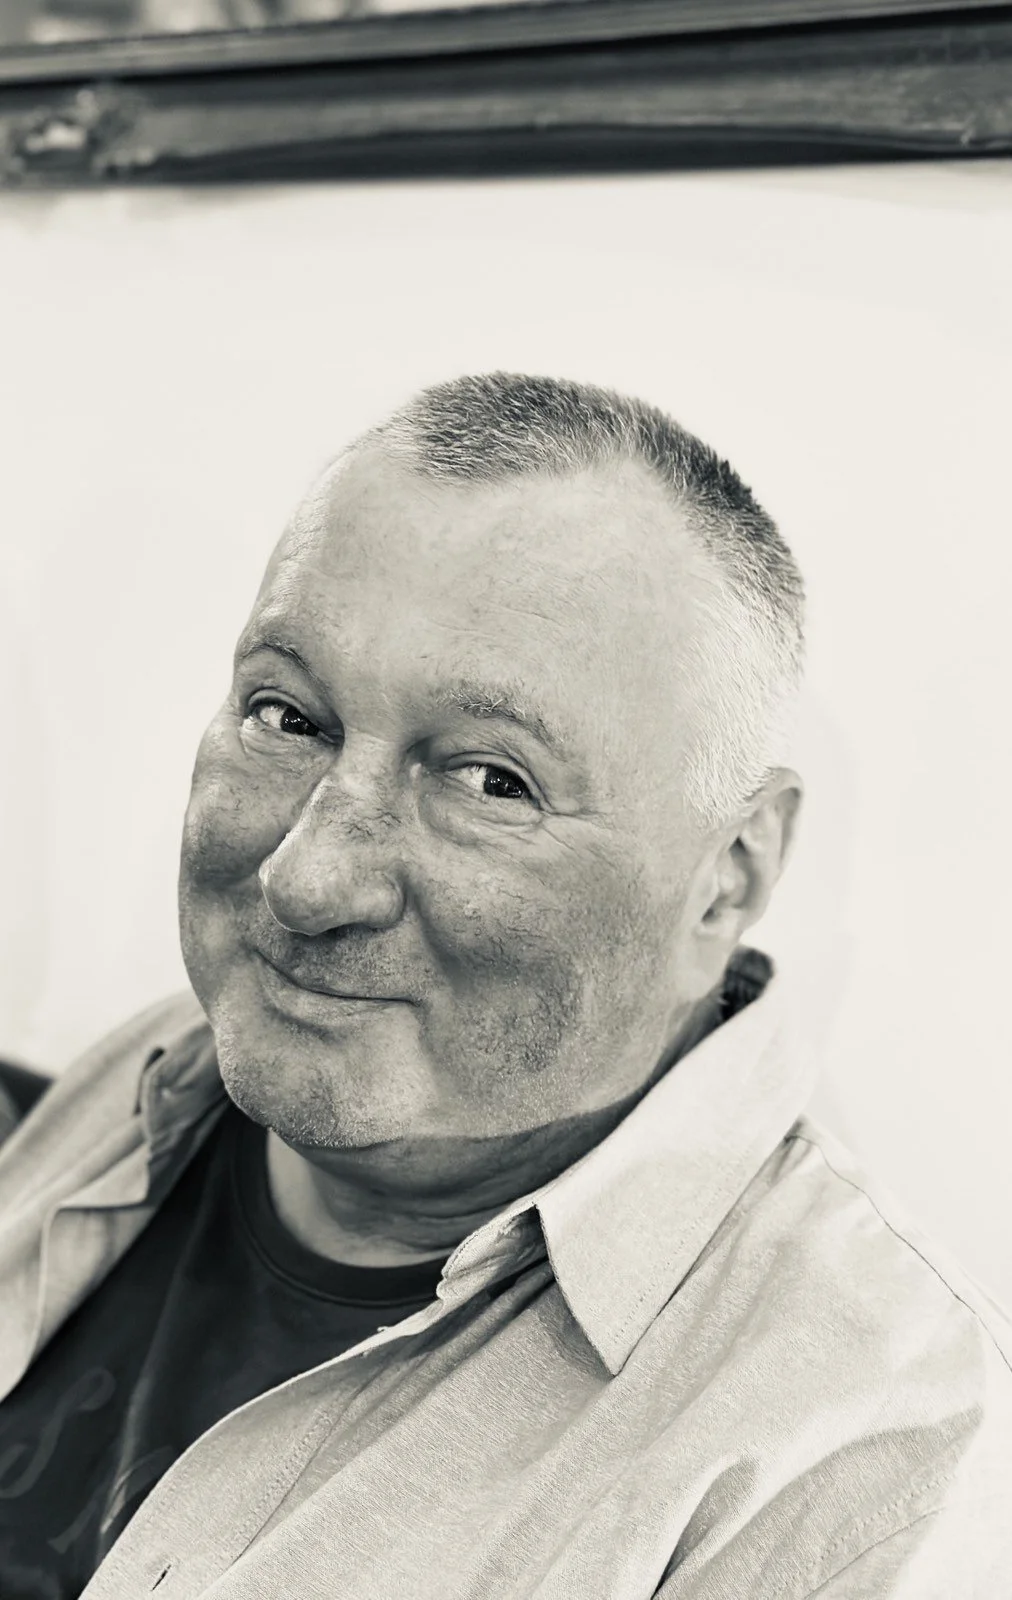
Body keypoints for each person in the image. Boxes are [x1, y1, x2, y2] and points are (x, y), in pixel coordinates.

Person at [0, 373, 1008, 1600]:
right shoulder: (162, 1068)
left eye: (488, 781)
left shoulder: (863, 1460)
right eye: (287, 714)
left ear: (724, 879)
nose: (307, 880)